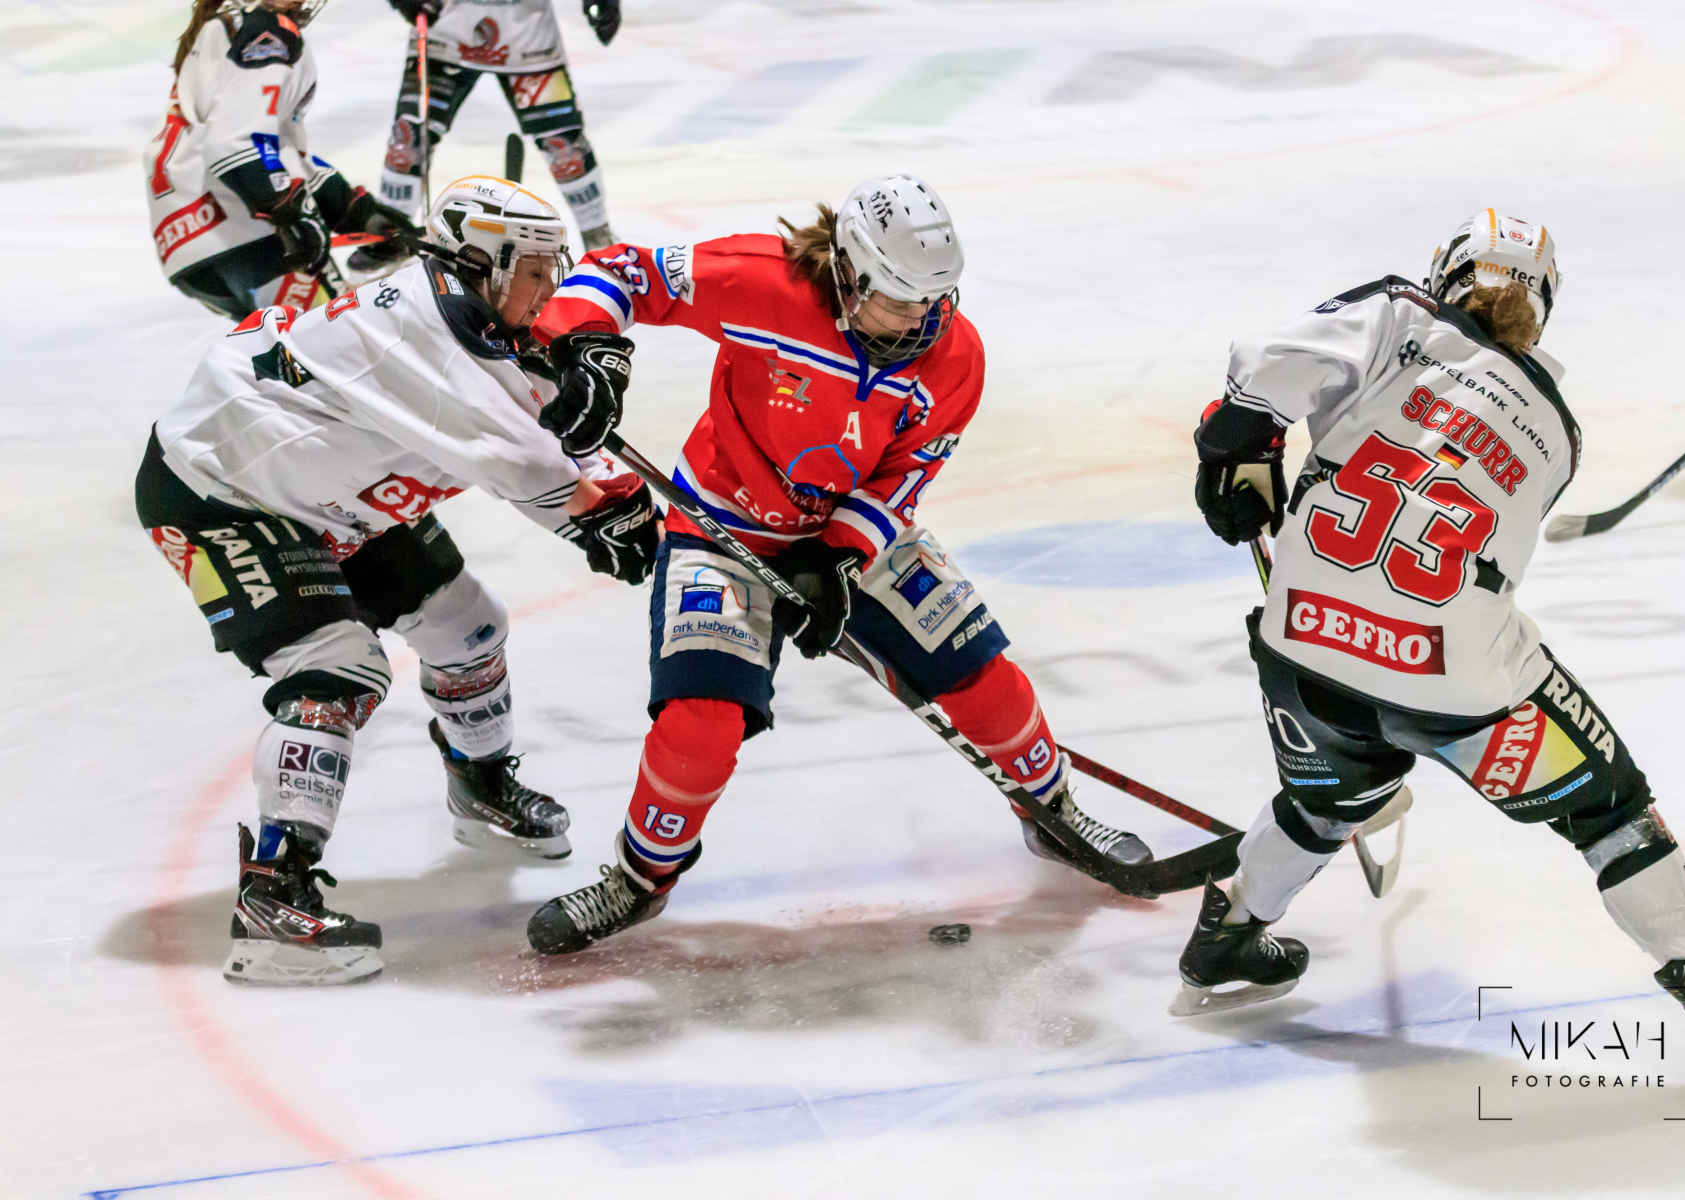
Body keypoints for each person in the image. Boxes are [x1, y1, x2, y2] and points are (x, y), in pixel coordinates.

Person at [1180, 209, 1685, 1104]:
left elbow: (1265, 366)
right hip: (1454, 687)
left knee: (1330, 796)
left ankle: (1230, 932)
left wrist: (1239, 444)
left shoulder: (1397, 315)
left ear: (1448, 269)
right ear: (1540, 314)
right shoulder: (1557, 432)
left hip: (1301, 654)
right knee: (1611, 813)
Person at [519, 174, 1152, 954]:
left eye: (935, 299)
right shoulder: (762, 282)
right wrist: (584, 347)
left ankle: (1054, 813)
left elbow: (902, 480)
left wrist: (838, 558)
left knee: (980, 673)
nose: (920, 320)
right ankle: (639, 879)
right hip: (723, 526)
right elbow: (619, 272)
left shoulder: (955, 355)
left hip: (851, 534)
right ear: (848, 273)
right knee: (700, 722)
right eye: (898, 299)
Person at [135, 176, 661, 986]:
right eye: (535, 270)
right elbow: (529, 465)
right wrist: (620, 521)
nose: (549, 286)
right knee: (336, 670)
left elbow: (544, 411)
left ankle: (480, 786)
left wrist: (583, 379)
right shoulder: (422, 336)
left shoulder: (470, 307)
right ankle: (272, 901)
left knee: (467, 626)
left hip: (325, 490)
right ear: (484, 265)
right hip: (222, 490)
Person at [147, 0, 415, 319]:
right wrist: (289, 211)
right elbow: (234, 142)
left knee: (292, 349)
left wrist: (353, 211)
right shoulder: (267, 33)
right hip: (248, 237)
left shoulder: (226, 26)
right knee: (346, 340)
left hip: (185, 248)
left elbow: (272, 149)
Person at [368, 0, 622, 265]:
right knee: (407, 141)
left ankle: (599, 238)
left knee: (565, 147)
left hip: (527, 32)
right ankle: (389, 239)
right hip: (444, 27)